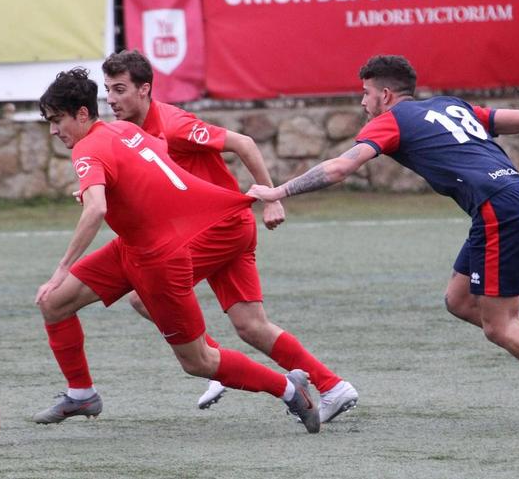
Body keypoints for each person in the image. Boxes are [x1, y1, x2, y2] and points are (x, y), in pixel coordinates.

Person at [247, 54, 519, 429]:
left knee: (500, 326)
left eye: (366, 94)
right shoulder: (451, 105)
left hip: (499, 209)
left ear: (387, 94)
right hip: (508, 200)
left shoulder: (391, 120)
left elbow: (340, 167)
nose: (362, 102)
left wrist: (278, 190)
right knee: (459, 300)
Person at [32, 67, 320, 433]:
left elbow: (97, 210)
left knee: (198, 361)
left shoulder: (88, 148)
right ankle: (82, 393)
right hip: (129, 249)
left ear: (83, 113)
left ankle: (290, 389)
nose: (54, 130)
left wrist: (61, 268)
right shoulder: (123, 129)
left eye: (58, 120)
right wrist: (109, 188)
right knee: (53, 303)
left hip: (159, 262)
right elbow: (154, 159)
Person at [99, 49, 358, 423]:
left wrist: (271, 198)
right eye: (107, 90)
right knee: (252, 326)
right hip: (222, 228)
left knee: (143, 297)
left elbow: (244, 143)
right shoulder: (130, 132)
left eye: (119, 89)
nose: (110, 99)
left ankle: (211, 361)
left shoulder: (173, 125)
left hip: (221, 227)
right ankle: (333, 386)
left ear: (144, 90)